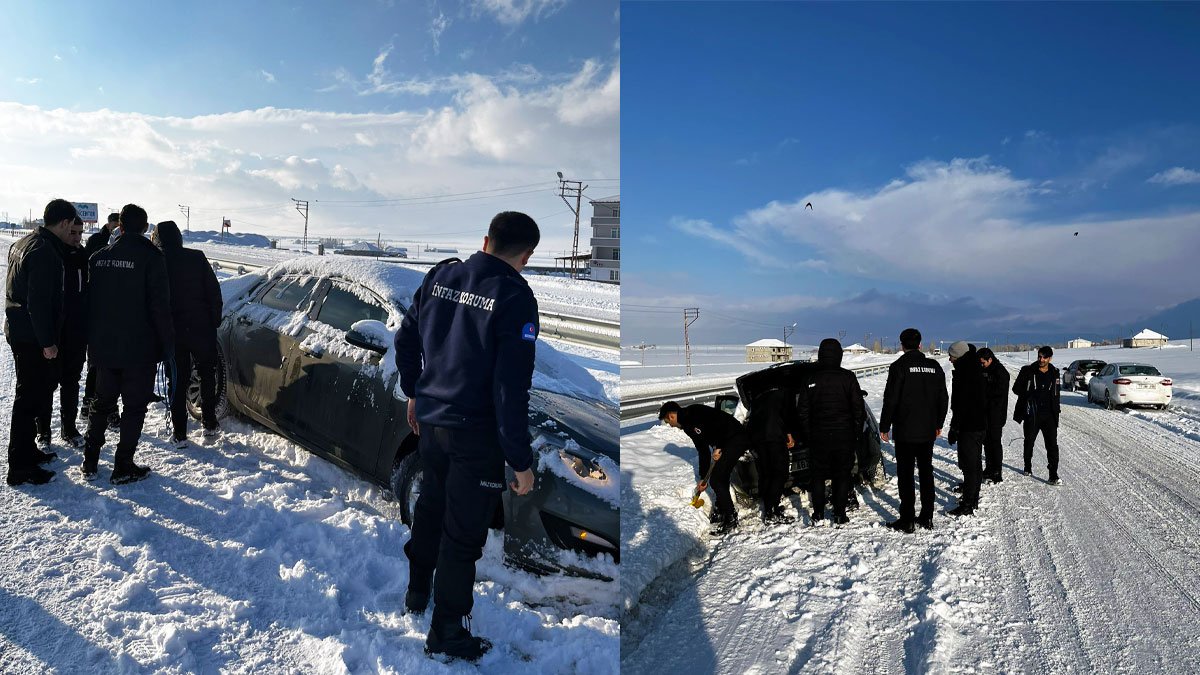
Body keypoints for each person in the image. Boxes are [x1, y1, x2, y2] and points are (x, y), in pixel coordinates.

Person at [394, 211, 541, 662]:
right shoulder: (515, 296)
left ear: (486, 239)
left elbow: (405, 340)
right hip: (475, 434)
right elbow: (509, 388)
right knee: (462, 535)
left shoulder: (442, 274)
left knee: (431, 508)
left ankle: (418, 592)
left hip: (433, 426)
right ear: (527, 256)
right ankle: (448, 631)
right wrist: (520, 459)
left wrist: (414, 391)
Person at [82, 204, 173, 484]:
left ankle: (90, 462)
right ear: (145, 228)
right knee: (134, 407)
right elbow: (160, 307)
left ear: (119, 227)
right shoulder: (152, 258)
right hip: (139, 349)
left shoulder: (98, 258)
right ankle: (122, 465)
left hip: (105, 347)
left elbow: (89, 305)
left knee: (101, 404)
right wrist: (167, 346)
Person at [4, 199, 76, 485]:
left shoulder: (24, 242)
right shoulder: (45, 251)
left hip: (19, 330)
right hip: (31, 337)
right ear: (63, 223)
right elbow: (39, 302)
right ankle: (20, 466)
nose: (71, 230)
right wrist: (48, 341)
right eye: (70, 226)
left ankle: (27, 450)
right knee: (28, 399)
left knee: (31, 396)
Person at [152, 221, 222, 446]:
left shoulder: (156, 261)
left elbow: (154, 300)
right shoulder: (197, 257)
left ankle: (180, 433)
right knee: (207, 375)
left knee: (177, 380)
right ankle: (209, 424)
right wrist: (214, 321)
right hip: (201, 329)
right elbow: (214, 291)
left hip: (173, 332)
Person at [879, 328, 948, 532]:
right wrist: (939, 423)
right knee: (926, 472)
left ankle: (907, 519)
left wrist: (885, 426)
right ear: (920, 344)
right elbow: (943, 398)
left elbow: (890, 400)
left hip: (905, 431)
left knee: (906, 474)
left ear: (902, 345)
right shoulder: (933, 366)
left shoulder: (899, 366)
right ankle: (927, 516)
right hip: (927, 430)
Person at [796, 338, 864, 525]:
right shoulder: (848, 377)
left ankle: (818, 513)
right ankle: (840, 513)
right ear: (839, 355)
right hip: (844, 436)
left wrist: (808, 435)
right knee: (841, 474)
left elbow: (802, 411)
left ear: (820, 355)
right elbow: (858, 409)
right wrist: (855, 433)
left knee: (817, 475)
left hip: (818, 436)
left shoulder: (810, 378)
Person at [658, 400, 751, 535]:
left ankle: (731, 518)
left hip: (735, 437)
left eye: (668, 422)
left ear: (671, 416)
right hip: (728, 440)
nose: (670, 426)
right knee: (719, 476)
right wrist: (703, 478)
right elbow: (702, 450)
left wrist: (719, 446)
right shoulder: (687, 425)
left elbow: (718, 425)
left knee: (717, 480)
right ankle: (721, 509)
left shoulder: (694, 413)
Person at [36, 215, 88, 449]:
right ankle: (43, 431)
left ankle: (69, 428)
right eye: (73, 232)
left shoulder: (84, 257)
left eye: (80, 233)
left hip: (77, 331)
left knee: (72, 381)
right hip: (55, 332)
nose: (76, 238)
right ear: (64, 229)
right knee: (47, 383)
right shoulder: (51, 254)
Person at [82, 211, 122, 430]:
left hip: (104, 317)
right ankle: (94, 407)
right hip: (101, 316)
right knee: (101, 367)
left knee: (102, 366)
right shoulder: (96, 244)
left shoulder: (110, 252)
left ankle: (98, 408)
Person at [946, 341, 987, 516]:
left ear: (959, 356)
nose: (949, 359)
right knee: (974, 464)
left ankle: (968, 504)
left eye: (952, 356)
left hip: (969, 426)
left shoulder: (966, 372)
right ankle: (972, 498)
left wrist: (955, 427)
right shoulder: (973, 368)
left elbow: (962, 405)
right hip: (976, 424)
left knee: (971, 465)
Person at [1012, 345, 1061, 485]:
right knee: (1029, 442)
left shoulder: (1055, 373)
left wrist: (1056, 411)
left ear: (1050, 358)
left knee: (1052, 445)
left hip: (1049, 415)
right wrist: (1028, 395)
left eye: (1044, 357)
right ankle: (1027, 466)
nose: (1041, 359)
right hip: (1031, 414)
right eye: (1039, 356)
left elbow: (1056, 395)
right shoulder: (1028, 371)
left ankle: (1053, 474)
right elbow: (1015, 389)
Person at [747, 388, 796, 524]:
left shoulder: (757, 399)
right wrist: (789, 435)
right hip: (774, 437)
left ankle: (770, 507)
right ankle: (771, 512)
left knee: (767, 473)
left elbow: (751, 421)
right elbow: (786, 416)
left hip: (759, 440)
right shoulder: (783, 394)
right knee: (780, 474)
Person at [978, 347, 1009, 483]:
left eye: (983, 362)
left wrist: (983, 391)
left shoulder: (1000, 372)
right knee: (987, 442)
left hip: (996, 414)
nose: (981, 365)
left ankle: (997, 471)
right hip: (984, 413)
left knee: (995, 443)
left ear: (990, 359)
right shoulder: (983, 369)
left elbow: (998, 394)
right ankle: (989, 468)